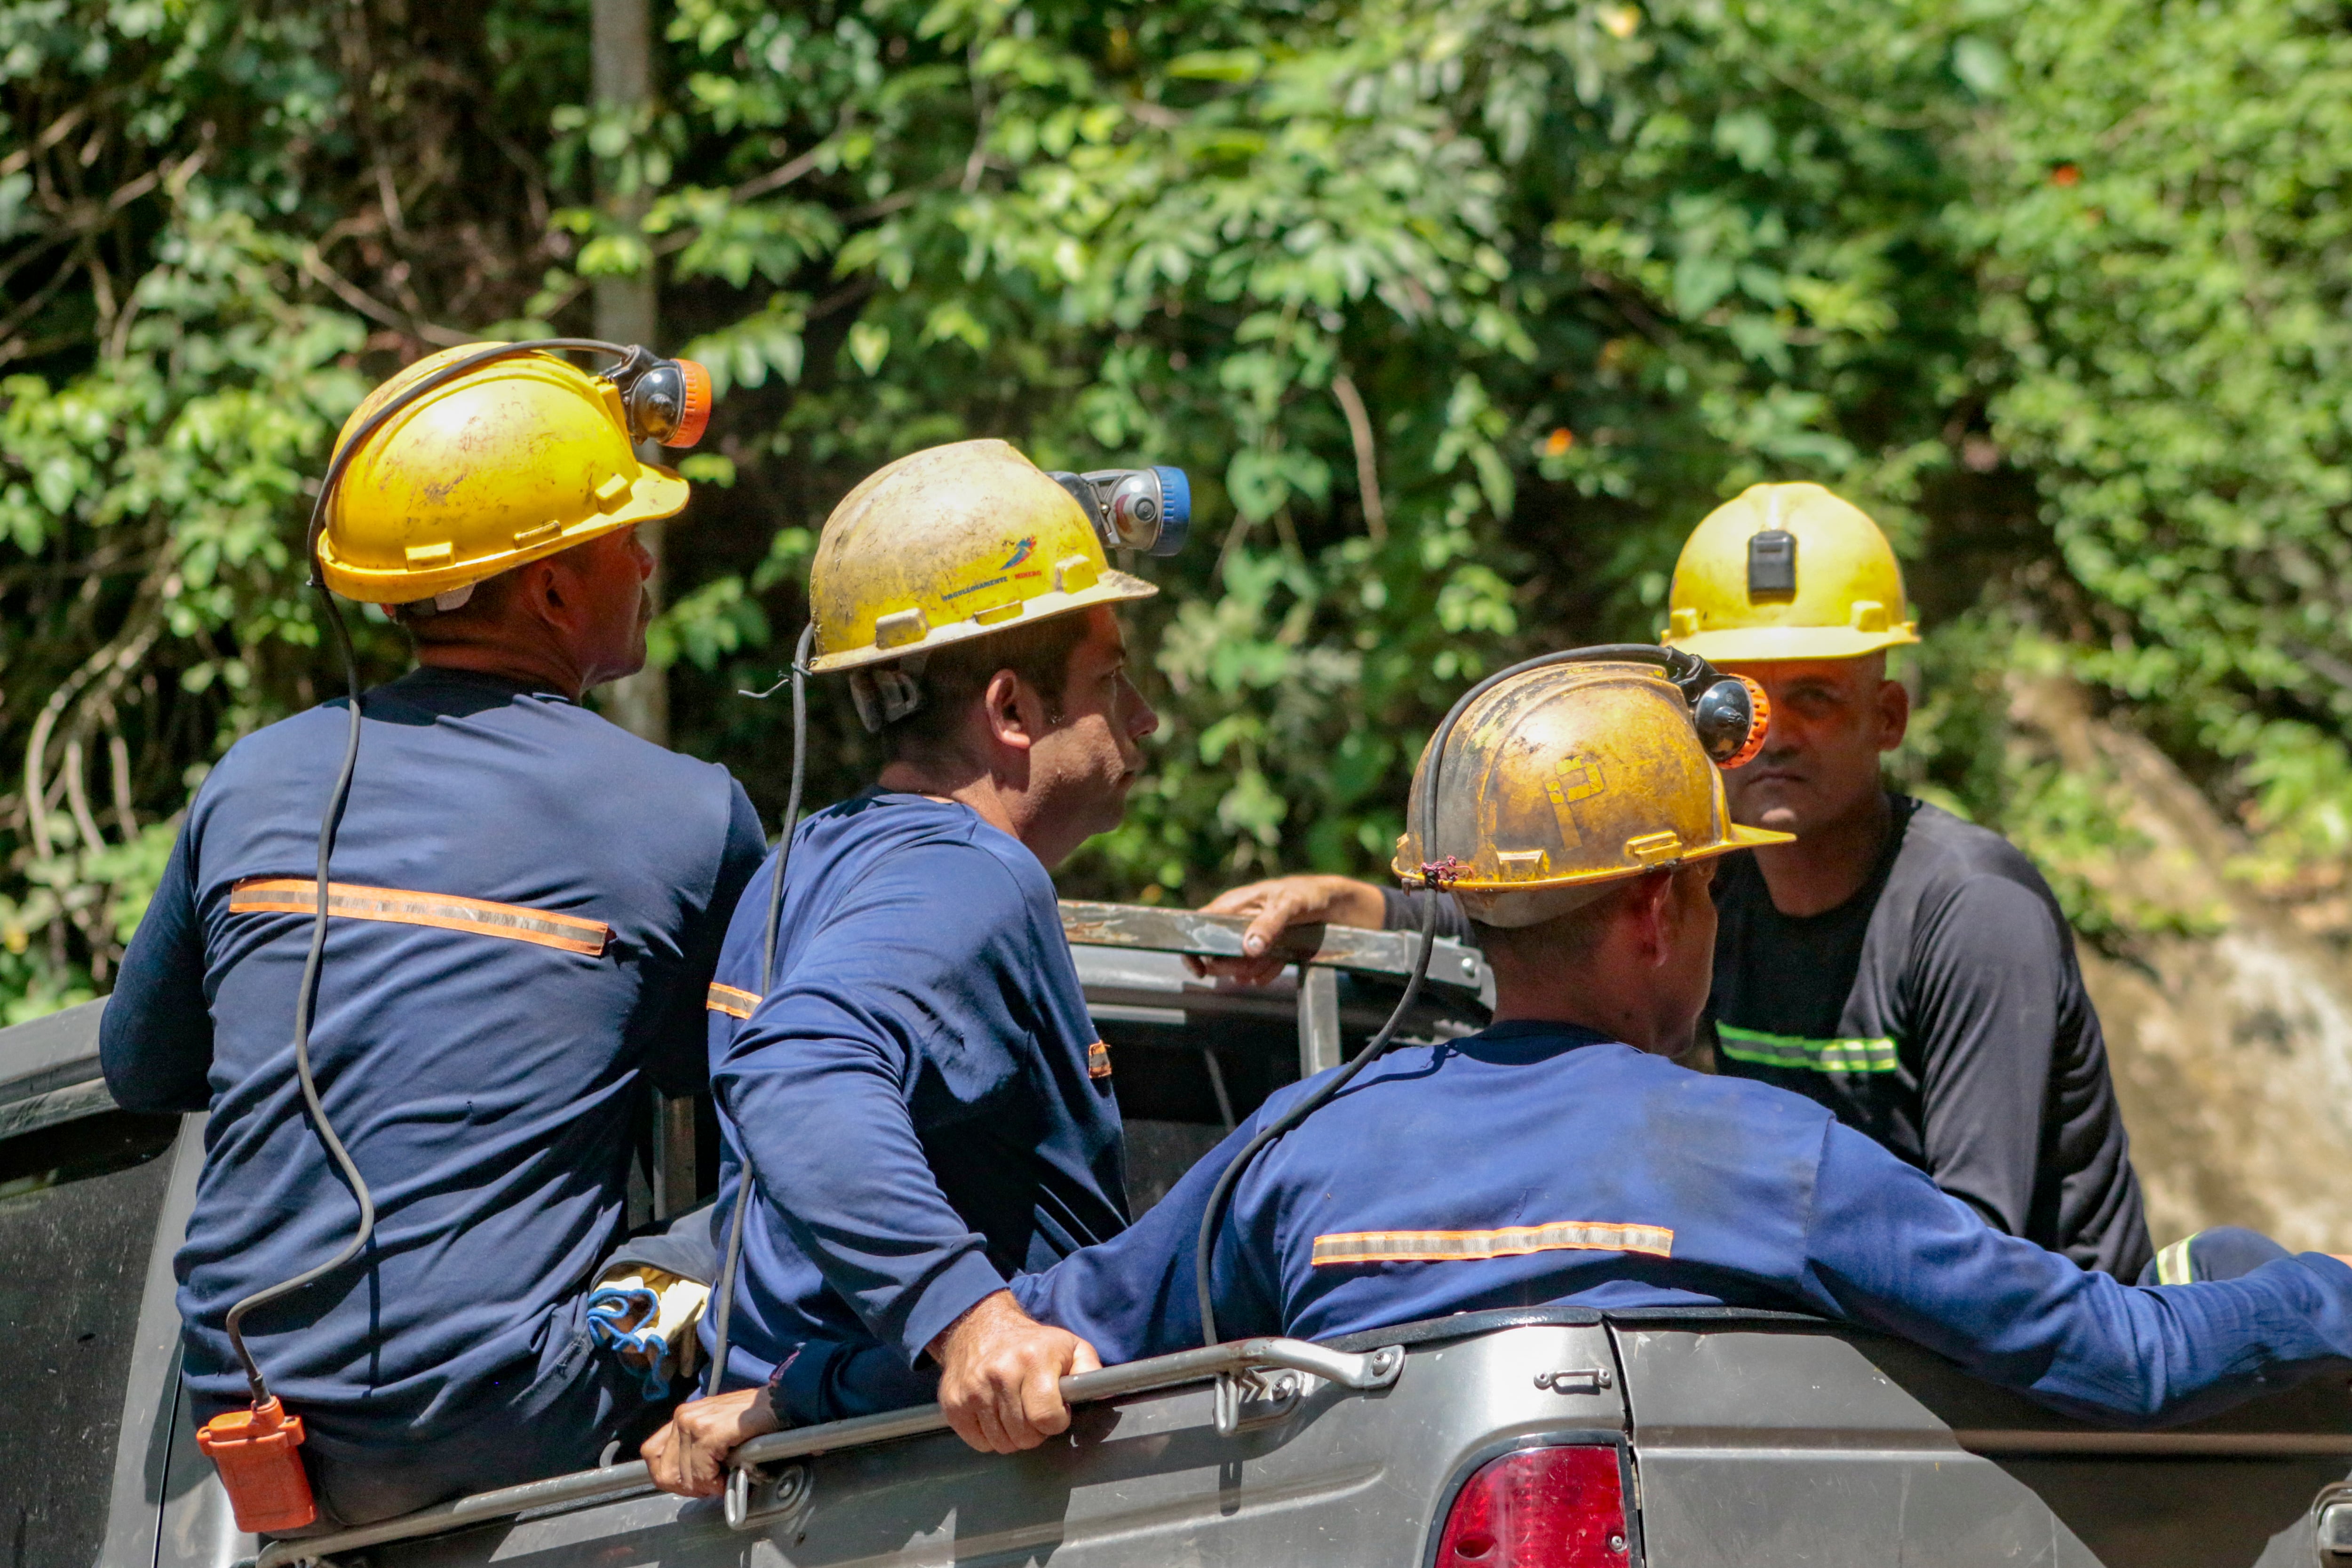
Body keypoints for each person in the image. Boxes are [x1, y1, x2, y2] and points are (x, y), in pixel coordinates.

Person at [1014, 658, 2352, 1426]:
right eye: (1714, 885)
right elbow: (2124, 1355)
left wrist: (807, 1384)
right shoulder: (1769, 1157)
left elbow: (1042, 1332)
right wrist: (2319, 1291)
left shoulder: (1297, 1148)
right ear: (1661, 906)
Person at [101, 345, 767, 1529]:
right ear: (555, 593)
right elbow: (743, 1088)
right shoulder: (685, 812)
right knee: (764, 1198)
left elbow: (143, 1068)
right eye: (626, 536)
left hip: (255, 1421)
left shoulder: (252, 779)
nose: (649, 562)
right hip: (518, 1406)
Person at [1197, 483, 2153, 1279]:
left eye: (1816, 698)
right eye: (1742, 704)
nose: (1773, 736)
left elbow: (1981, 1245)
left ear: (1889, 715)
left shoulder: (1970, 913)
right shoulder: (1706, 880)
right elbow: (1531, 906)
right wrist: (1348, 907)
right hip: (1859, 1316)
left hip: (2034, 1389)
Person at [640, 439, 1163, 1497]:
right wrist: (973, 1319)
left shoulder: (801, 867)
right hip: (931, 1490)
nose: (1145, 716)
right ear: (1012, 710)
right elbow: (799, 1072)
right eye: (1111, 680)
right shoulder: (972, 878)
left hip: (811, 1479)